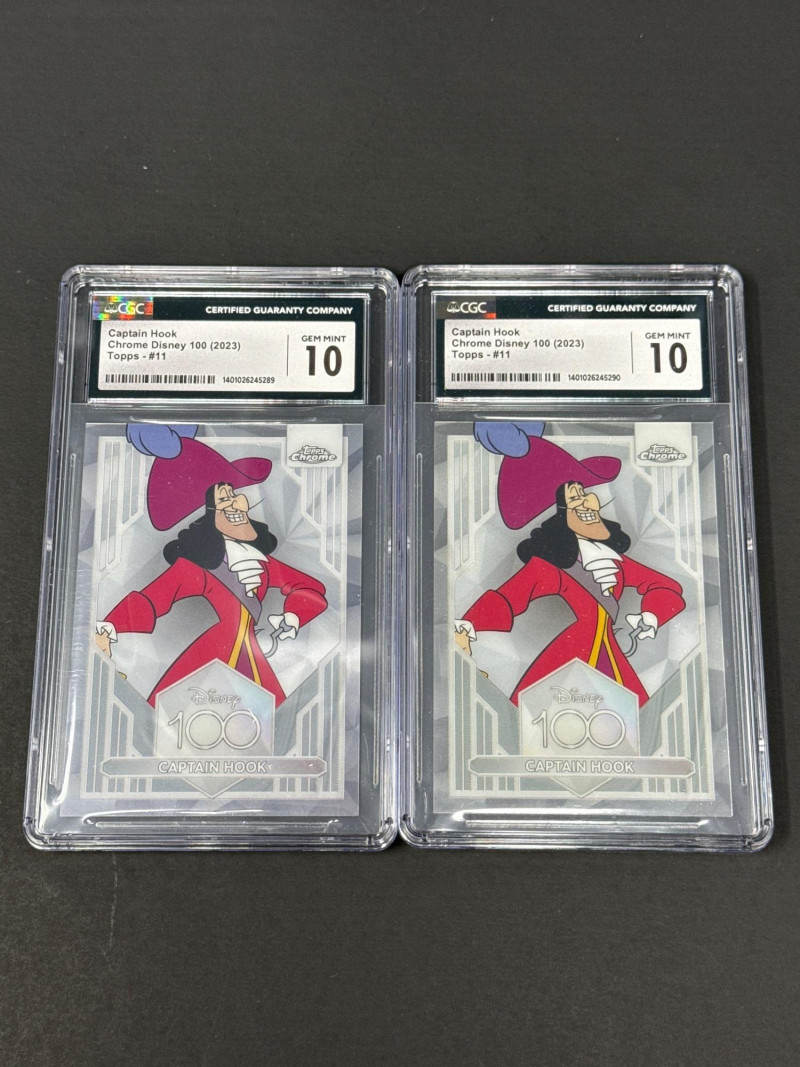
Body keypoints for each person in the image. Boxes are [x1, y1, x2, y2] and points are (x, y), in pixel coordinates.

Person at [95, 431, 326, 707]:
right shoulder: (196, 569)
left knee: (274, 714)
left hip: (249, 653)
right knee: (173, 710)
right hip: (213, 653)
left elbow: (310, 588)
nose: (235, 504)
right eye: (223, 501)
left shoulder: (263, 563)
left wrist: (293, 615)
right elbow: (152, 599)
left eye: (234, 495)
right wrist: (110, 627)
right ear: (206, 520)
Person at [455, 429, 684, 707]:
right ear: (559, 518)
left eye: (585, 493)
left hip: (608, 654)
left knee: (636, 713)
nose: (586, 502)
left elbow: (666, 586)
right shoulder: (551, 568)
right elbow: (509, 597)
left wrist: (651, 615)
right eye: (574, 499)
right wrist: (468, 625)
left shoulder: (616, 561)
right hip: (571, 652)